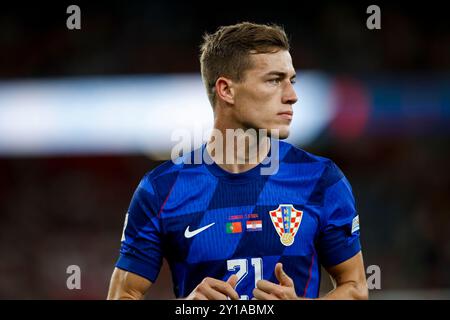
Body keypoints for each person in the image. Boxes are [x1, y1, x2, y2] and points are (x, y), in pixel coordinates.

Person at [107, 22, 368, 300]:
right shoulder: (161, 189)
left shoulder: (321, 179)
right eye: (273, 80)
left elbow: (355, 288)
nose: (292, 96)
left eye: (291, 80)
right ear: (226, 90)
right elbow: (123, 295)